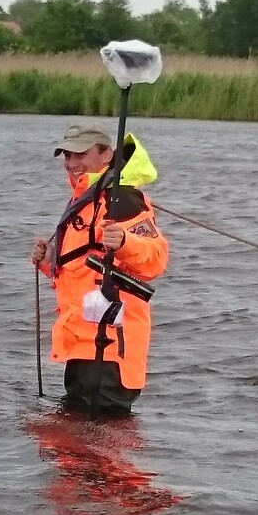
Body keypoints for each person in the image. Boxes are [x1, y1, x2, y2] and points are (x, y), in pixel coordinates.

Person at [31, 123, 168, 414]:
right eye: (67, 155)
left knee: (106, 449)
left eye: (80, 154)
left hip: (111, 348)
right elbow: (79, 271)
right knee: (72, 448)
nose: (71, 163)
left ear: (107, 155)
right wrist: (48, 261)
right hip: (80, 343)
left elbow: (156, 259)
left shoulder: (125, 198)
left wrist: (125, 242)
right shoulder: (84, 201)